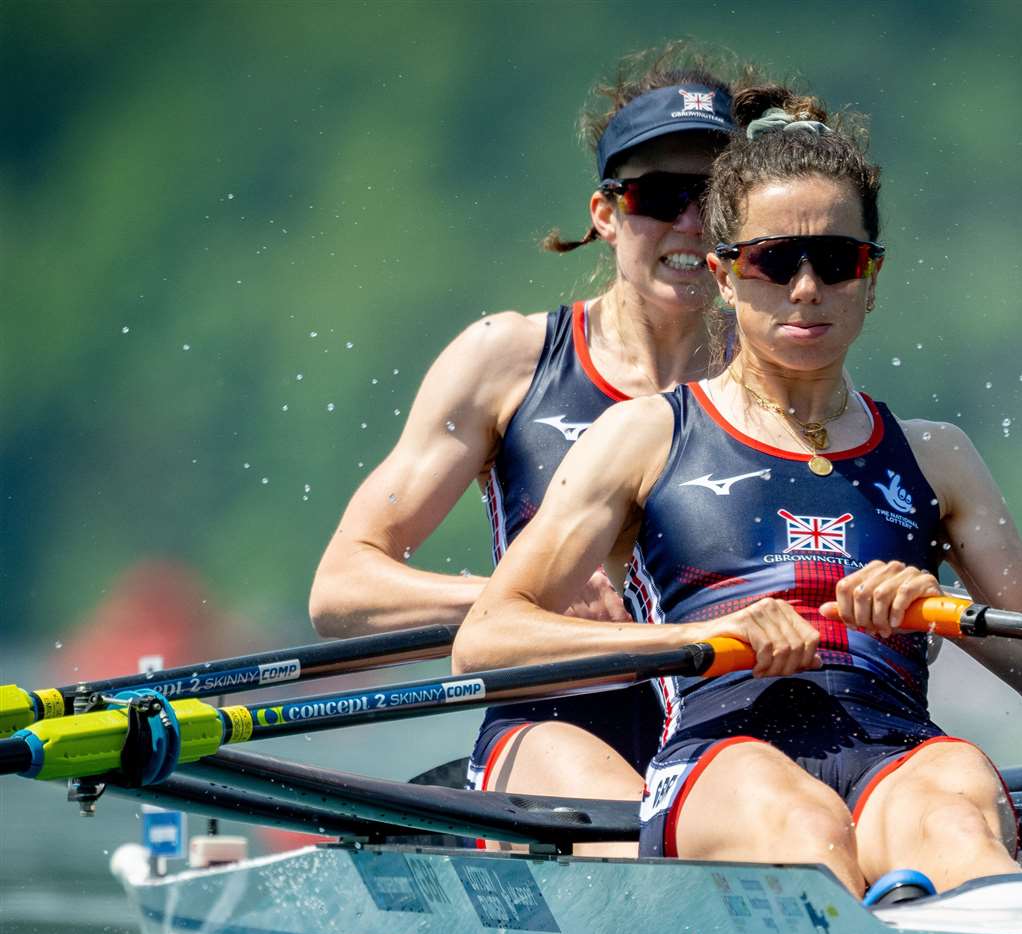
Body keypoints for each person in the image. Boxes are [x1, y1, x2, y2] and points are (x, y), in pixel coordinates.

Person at [453, 87, 1022, 896]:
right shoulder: (645, 436)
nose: (805, 289)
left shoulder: (938, 457)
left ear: (871, 278)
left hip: (898, 749)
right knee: (801, 828)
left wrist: (936, 607)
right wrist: (699, 638)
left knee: (952, 818)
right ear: (727, 276)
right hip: (724, 757)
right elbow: (486, 641)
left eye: (835, 261)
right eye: (773, 260)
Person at [308, 44, 760, 852]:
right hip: (550, 733)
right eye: (661, 197)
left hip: (722, 739)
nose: (691, 223)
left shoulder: (774, 383)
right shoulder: (510, 360)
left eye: (716, 198)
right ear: (606, 214)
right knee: (646, 839)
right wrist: (509, 599)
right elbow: (341, 589)